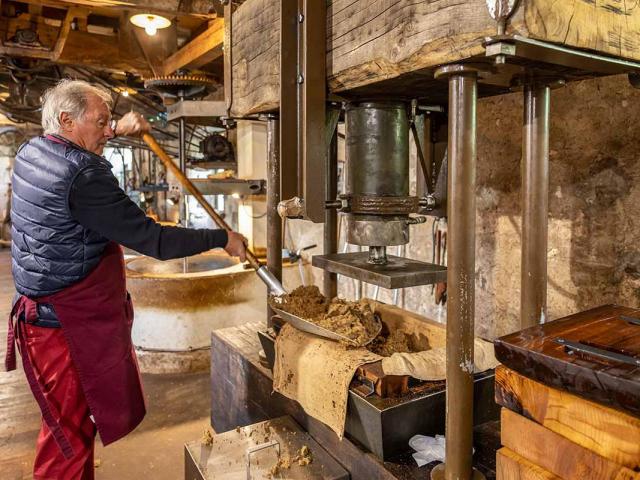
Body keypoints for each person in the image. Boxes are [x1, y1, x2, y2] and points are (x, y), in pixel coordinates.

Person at [5, 79, 247, 479]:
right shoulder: (83, 177)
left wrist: (119, 129)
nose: (106, 130)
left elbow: (77, 148)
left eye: (108, 123)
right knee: (67, 438)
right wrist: (221, 238)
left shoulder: (34, 150)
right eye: (101, 122)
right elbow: (154, 239)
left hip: (43, 316)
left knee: (67, 427)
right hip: (65, 327)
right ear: (67, 119)